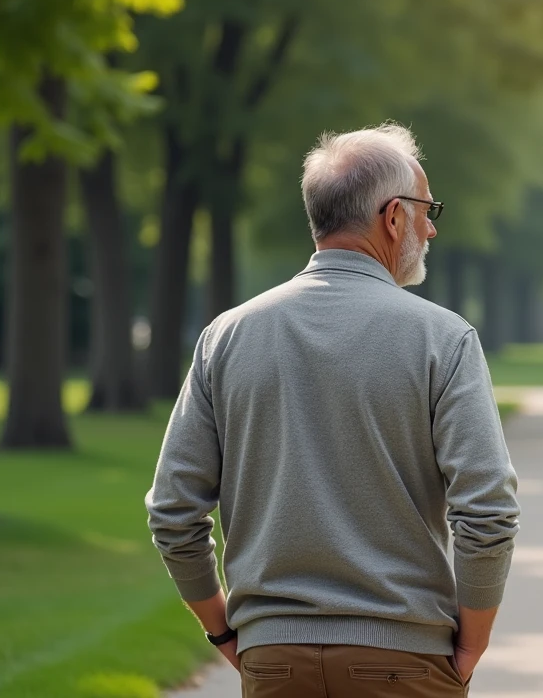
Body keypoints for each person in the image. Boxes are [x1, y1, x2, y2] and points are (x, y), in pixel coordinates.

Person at [145, 123, 520, 697]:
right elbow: (488, 509)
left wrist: (224, 632)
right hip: (405, 661)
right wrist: (472, 645)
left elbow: (173, 511)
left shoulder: (226, 337)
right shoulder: (443, 339)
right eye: (426, 210)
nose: (431, 228)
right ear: (392, 217)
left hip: (273, 660)